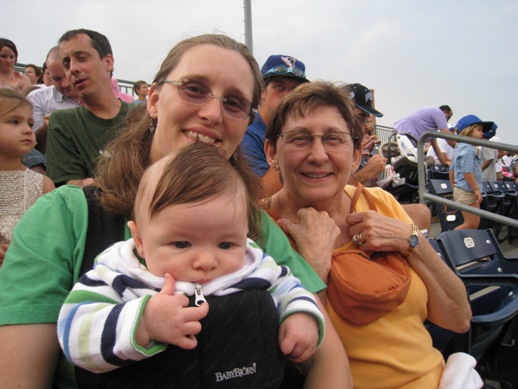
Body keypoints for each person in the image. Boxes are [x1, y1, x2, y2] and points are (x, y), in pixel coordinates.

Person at [0, 33, 350, 389]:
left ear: (246, 124)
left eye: (233, 103)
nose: (212, 113)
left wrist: (301, 317)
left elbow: (329, 362)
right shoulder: (65, 218)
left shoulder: (254, 228)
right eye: (194, 89)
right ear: (153, 99)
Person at [58, 143, 325, 387]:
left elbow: (291, 288)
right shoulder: (119, 276)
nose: (206, 262)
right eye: (182, 244)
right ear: (140, 240)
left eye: (225, 244)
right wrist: (143, 323)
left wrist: (301, 315)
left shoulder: (254, 266)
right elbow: (73, 332)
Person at [262, 81, 472, 388]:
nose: (318, 155)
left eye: (334, 139)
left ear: (357, 152)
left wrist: (411, 239)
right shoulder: (256, 230)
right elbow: (288, 366)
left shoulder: (381, 203)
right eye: (300, 139)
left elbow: (458, 318)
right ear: (272, 152)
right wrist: (314, 270)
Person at [46, 29, 131, 187]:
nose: (72, 68)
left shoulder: (144, 116)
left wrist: (93, 183)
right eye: (66, 63)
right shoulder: (63, 122)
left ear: (108, 62)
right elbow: (71, 189)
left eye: (81, 58)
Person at [241, 54, 309, 196]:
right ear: (262, 92)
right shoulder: (247, 133)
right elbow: (261, 196)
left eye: (296, 89)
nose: (288, 96)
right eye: (279, 87)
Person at [0, 89, 54, 264]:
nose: (27, 130)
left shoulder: (43, 184)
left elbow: (51, 236)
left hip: (25, 273)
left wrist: (26, 251)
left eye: (30, 124)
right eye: (14, 121)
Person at [26, 45, 82, 155]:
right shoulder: (37, 98)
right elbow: (29, 149)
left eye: (68, 76)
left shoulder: (96, 97)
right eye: (57, 79)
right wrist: (46, 128)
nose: (65, 84)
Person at [450, 115, 494, 230]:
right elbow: (467, 172)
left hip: (463, 190)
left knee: (474, 224)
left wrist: (453, 185)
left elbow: (452, 169)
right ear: (468, 131)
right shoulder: (468, 149)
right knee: (471, 224)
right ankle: (449, 241)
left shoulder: (459, 147)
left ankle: (465, 244)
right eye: (479, 130)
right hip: (467, 192)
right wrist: (476, 189)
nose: (482, 134)